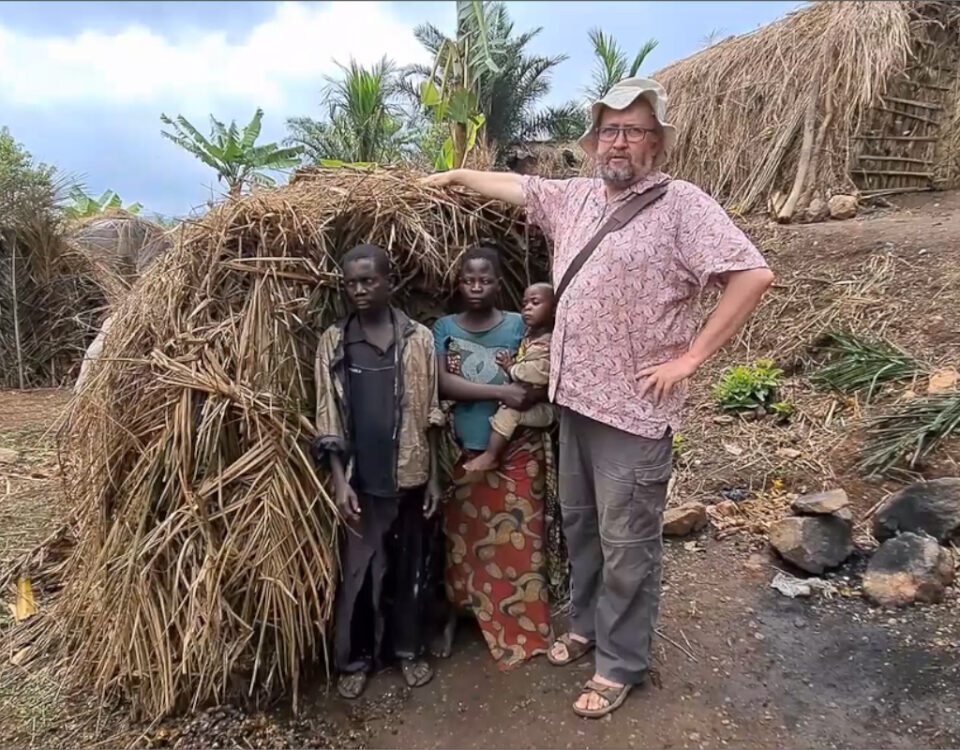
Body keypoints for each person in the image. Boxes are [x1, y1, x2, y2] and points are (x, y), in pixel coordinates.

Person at [424, 77, 775, 718]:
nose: (619, 142)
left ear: (656, 143)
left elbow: (752, 275)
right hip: (574, 403)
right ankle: (586, 626)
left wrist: (691, 358)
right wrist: (455, 175)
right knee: (583, 527)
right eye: (610, 130)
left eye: (634, 131)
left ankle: (620, 662)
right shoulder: (577, 197)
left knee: (627, 541)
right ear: (594, 142)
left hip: (634, 413)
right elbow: (517, 186)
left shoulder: (683, 205)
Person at [313, 243, 444, 700]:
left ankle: (408, 651)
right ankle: (356, 660)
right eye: (351, 283)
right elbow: (327, 414)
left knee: (410, 568)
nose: (360, 290)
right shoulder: (336, 341)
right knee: (361, 573)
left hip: (410, 474)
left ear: (389, 282)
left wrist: (434, 477)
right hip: (361, 481)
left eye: (369, 280)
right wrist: (339, 481)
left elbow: (431, 411)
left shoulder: (418, 339)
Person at [431, 246, 555, 670]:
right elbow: (442, 383)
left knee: (522, 541)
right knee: (460, 544)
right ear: (459, 284)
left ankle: (524, 628)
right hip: (462, 450)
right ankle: (459, 615)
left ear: (499, 284)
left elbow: (541, 372)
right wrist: (502, 391)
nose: (477, 287)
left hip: (519, 451)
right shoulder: (444, 327)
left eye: (485, 280)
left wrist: (524, 395)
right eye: (469, 280)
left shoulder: (522, 324)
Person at [462, 282, 556, 474]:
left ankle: (491, 456)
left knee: (510, 412)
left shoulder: (549, 342)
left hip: (548, 409)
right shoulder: (529, 337)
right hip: (531, 402)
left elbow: (537, 373)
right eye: (524, 303)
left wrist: (510, 368)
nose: (527, 308)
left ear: (554, 310)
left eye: (535, 302)